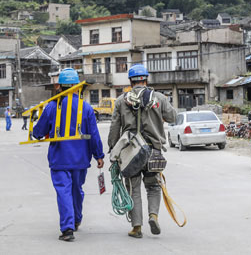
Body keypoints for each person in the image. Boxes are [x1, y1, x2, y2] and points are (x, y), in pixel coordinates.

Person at [32, 68, 104, 242]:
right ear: (77, 86)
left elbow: (38, 131)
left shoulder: (52, 106)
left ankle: (67, 228)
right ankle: (76, 219)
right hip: (80, 159)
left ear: (60, 87)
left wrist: (37, 133)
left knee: (64, 191)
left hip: (59, 158)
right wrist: (99, 155)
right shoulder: (86, 108)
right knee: (77, 190)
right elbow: (94, 134)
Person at [108, 64, 176, 239]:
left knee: (133, 189)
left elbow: (114, 127)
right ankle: (153, 215)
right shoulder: (159, 98)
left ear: (131, 81)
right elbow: (173, 117)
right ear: (146, 79)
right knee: (153, 186)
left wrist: (112, 149)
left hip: (131, 152)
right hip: (154, 150)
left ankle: (136, 227)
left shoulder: (121, 101)